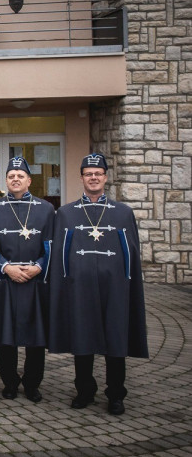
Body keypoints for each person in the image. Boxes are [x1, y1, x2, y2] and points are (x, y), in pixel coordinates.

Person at [49, 153, 148, 415]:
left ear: (105, 177)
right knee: (82, 337)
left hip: (115, 289)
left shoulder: (123, 213)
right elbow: (59, 254)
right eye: (88, 174)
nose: (93, 178)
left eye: (98, 174)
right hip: (79, 288)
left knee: (116, 339)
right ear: (81, 178)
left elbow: (132, 253)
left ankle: (116, 393)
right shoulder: (66, 213)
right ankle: (84, 390)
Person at [0, 156, 54, 403]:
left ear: (29, 180)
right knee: (5, 335)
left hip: (35, 281)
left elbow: (51, 244)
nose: (15, 179)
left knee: (36, 336)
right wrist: (6, 268)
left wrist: (38, 267)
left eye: (20, 176)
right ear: (5, 181)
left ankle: (32, 383)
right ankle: (10, 382)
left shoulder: (46, 209)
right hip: (5, 281)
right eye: (11, 176)